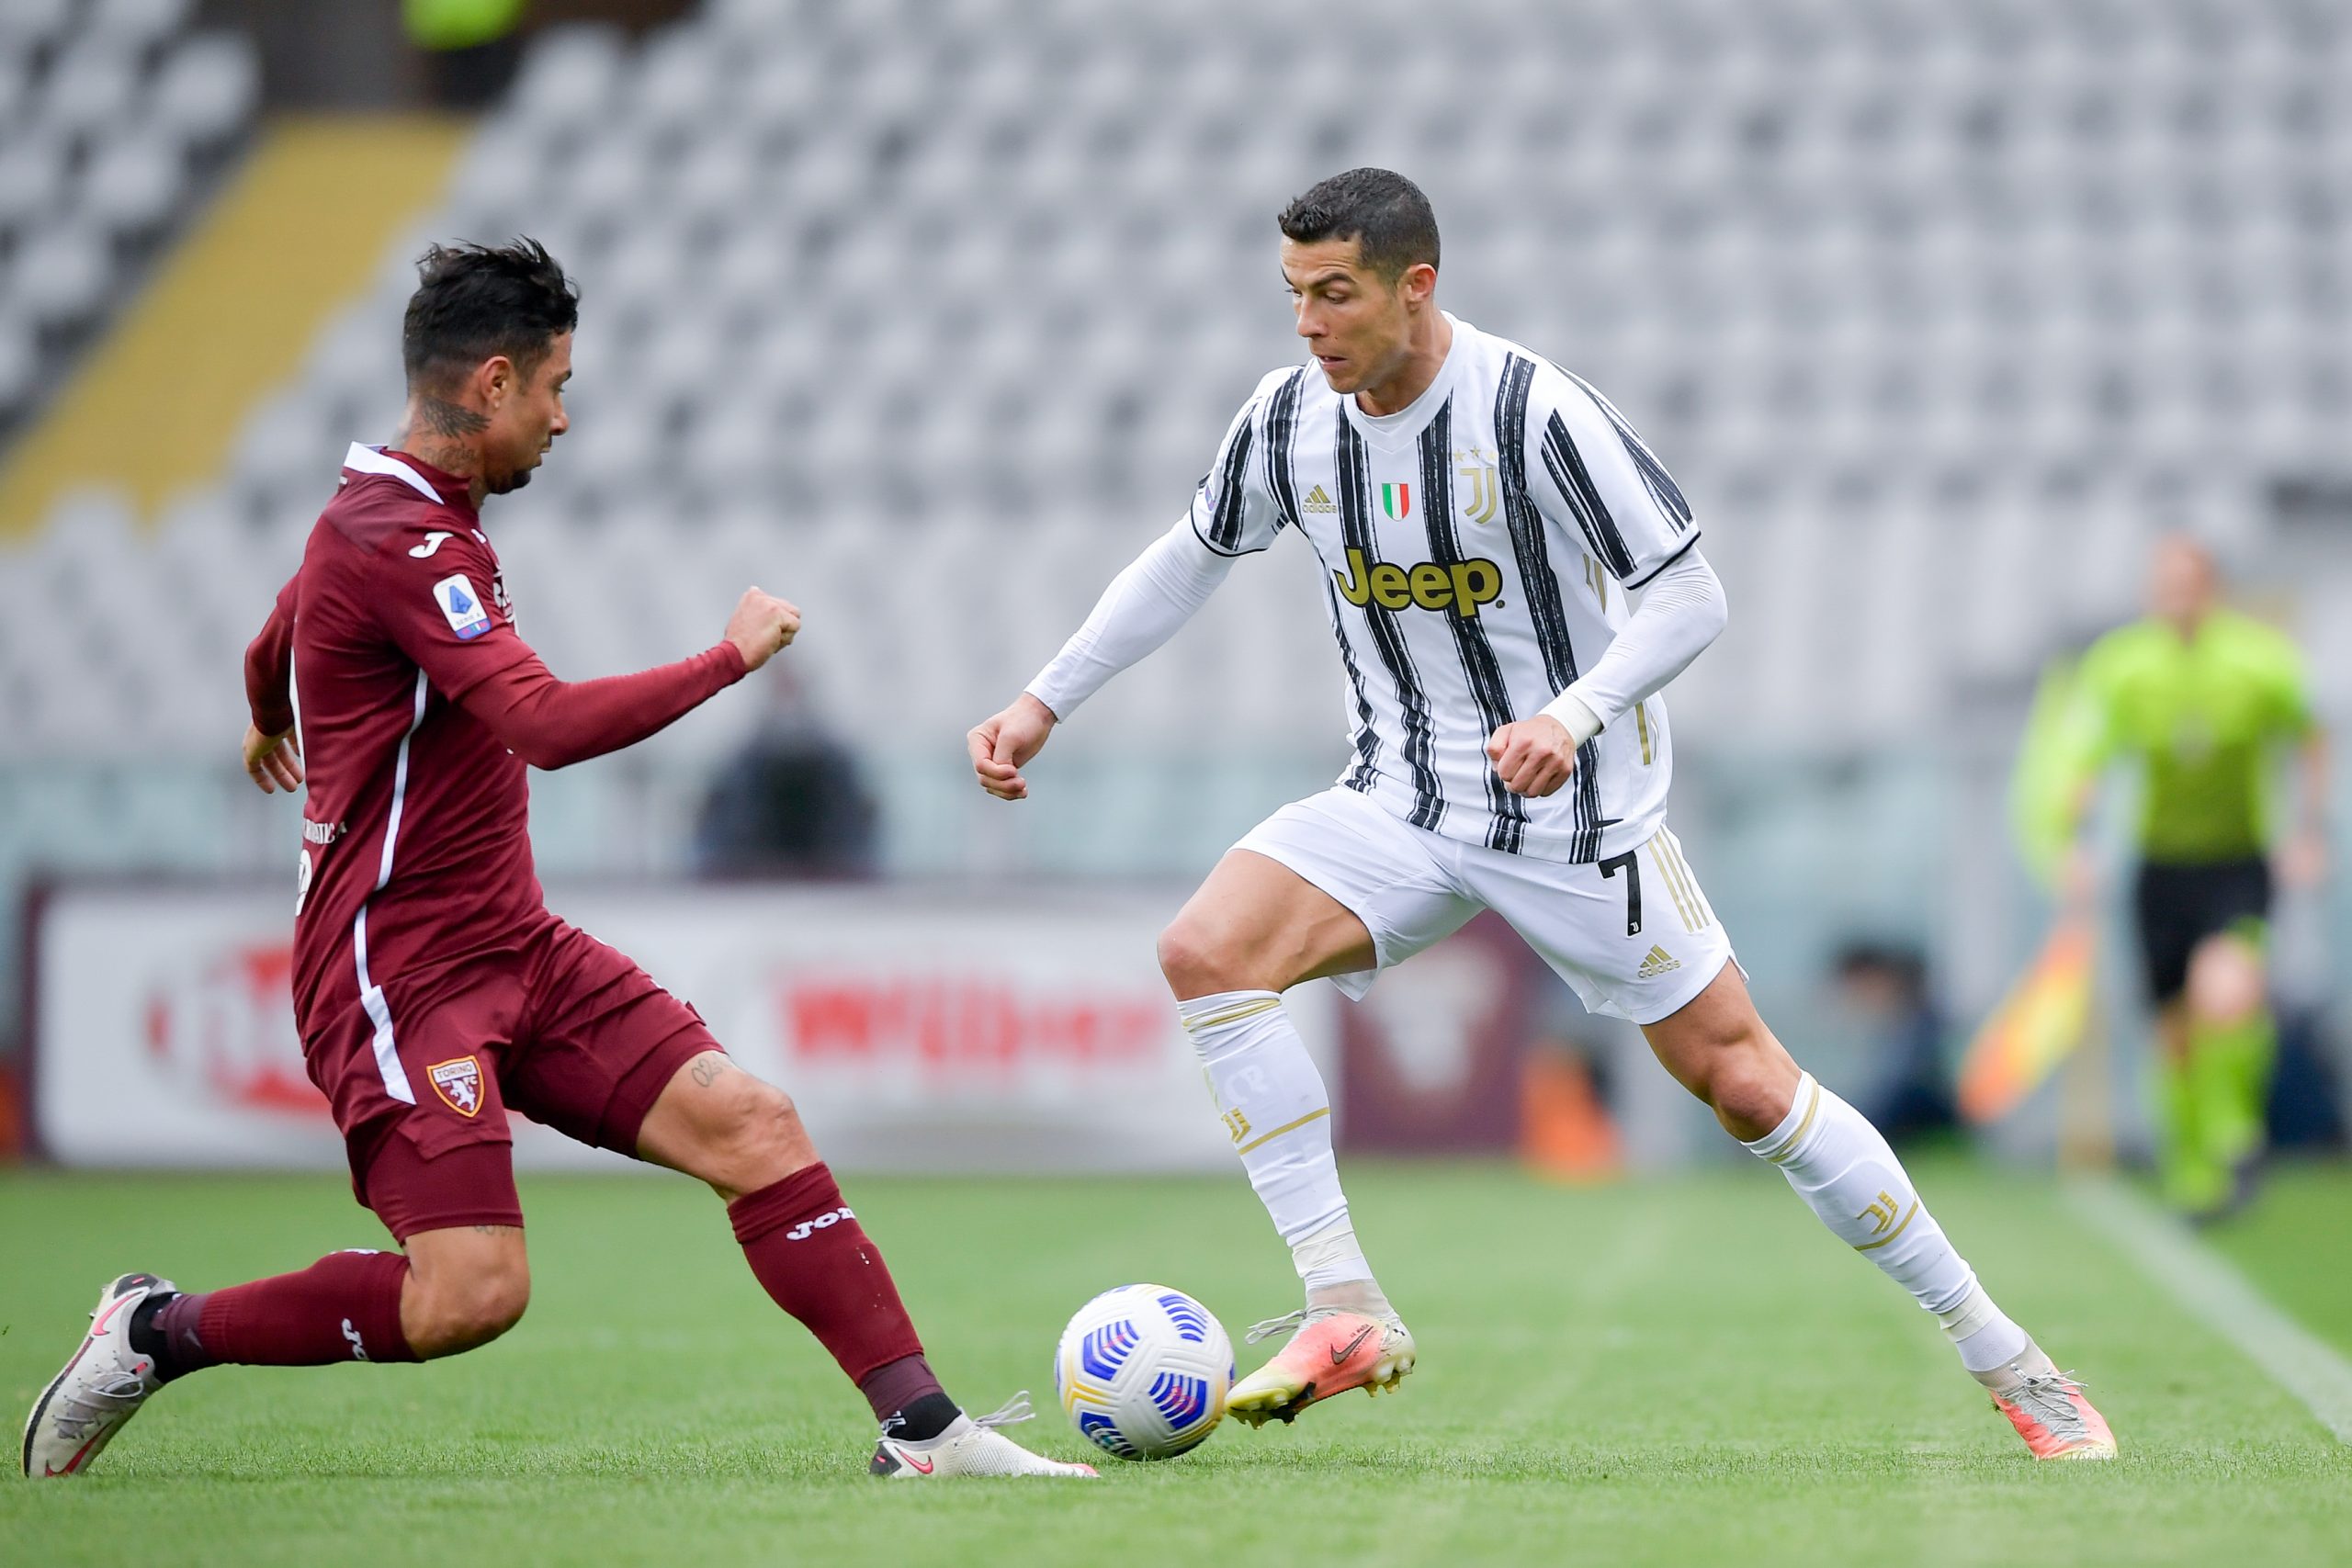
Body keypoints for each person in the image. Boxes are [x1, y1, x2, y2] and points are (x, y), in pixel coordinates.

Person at [967, 170, 2115, 1460]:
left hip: (1576, 819)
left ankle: (2010, 1358)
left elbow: (1690, 594)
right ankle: (1344, 1305)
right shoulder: (1289, 418)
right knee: (1206, 951)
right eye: (1292, 294)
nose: (1307, 324)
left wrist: (1571, 716)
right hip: (1401, 792)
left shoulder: (1531, 412)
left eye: (1334, 293)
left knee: (1746, 1087)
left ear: (1415, 286)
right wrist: (1044, 699)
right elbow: (1191, 553)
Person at [23, 241, 1091, 1483]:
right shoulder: (401, 540)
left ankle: (924, 1432)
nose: (563, 416)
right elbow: (543, 725)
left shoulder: (381, 519)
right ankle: (155, 1332)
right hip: (397, 972)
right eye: (553, 386)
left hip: (515, 944)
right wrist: (728, 659)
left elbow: (277, 629)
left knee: (752, 1122)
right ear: (492, 382)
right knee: (471, 1292)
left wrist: (269, 710)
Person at [2060, 536, 2328, 1219]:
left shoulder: (2259, 661)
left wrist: (2308, 829)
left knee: (2227, 993)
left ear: (2213, 588)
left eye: (2188, 582)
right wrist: (2078, 842)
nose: (2176, 595)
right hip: (2160, 867)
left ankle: (2235, 1131)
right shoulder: (2123, 665)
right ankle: (2191, 1166)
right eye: (2164, 583)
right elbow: (2089, 758)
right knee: (2173, 1026)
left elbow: (2310, 734)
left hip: (2236, 862)